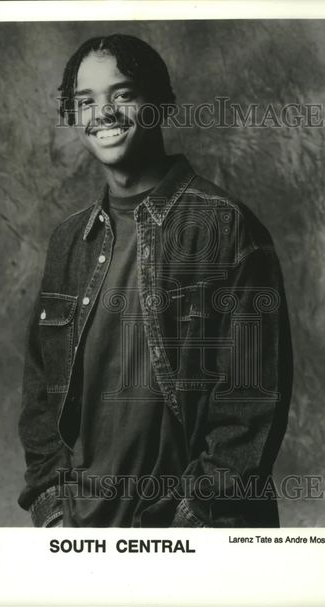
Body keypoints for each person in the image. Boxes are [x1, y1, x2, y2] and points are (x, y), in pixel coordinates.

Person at [18, 34, 293, 528]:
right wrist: (52, 507)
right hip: (81, 534)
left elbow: (251, 403)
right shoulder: (68, 243)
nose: (103, 113)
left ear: (158, 103)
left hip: (193, 532)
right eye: (85, 102)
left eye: (122, 94)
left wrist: (196, 521)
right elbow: (41, 393)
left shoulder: (225, 227)